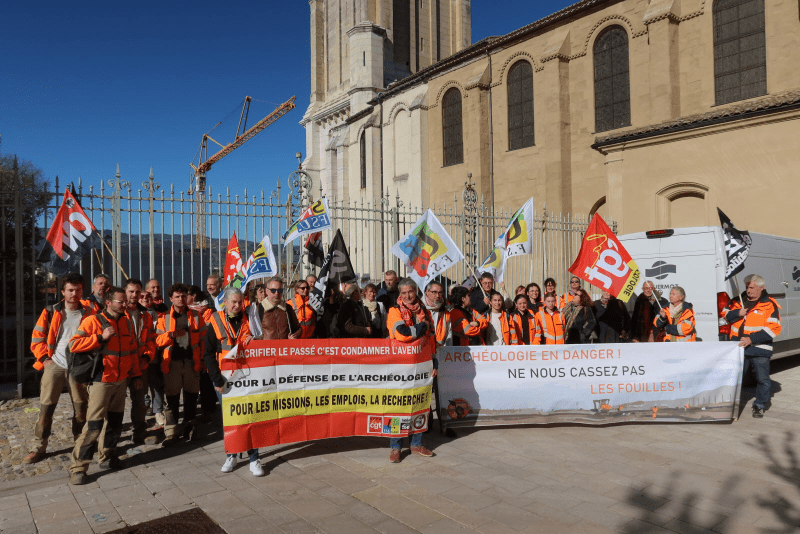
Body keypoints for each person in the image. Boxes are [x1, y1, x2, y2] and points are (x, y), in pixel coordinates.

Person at [68, 287, 143, 485]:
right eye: (121, 301)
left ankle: (107, 457)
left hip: (120, 381)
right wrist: (100, 338)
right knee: (93, 425)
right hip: (102, 380)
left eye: (125, 301)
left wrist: (135, 374)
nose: (125, 304)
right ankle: (78, 468)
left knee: (115, 423)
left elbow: (132, 350)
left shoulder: (126, 322)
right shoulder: (93, 321)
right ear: (108, 302)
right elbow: (74, 345)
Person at [24, 273, 92, 465]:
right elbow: (37, 338)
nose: (74, 293)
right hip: (55, 364)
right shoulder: (51, 311)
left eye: (78, 290)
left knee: (81, 409)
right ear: (63, 292)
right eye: (70, 290)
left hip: (78, 367)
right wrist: (45, 359)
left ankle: (80, 444)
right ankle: (38, 446)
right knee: (46, 408)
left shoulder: (89, 313)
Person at [203, 288, 262, 474]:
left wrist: (255, 340)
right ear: (226, 303)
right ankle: (232, 455)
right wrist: (216, 380)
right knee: (229, 419)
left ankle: (254, 458)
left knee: (250, 417)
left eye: (240, 302)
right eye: (234, 302)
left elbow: (261, 345)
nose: (237, 306)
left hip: (246, 376)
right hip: (224, 378)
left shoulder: (250, 319)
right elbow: (208, 354)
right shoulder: (215, 320)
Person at [386, 278, 435, 462]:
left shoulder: (425, 311)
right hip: (400, 365)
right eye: (404, 293)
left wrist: (434, 363)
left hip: (422, 365)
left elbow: (431, 339)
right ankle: (396, 447)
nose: (407, 296)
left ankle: (416, 444)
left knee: (420, 405)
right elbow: (402, 334)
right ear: (400, 294)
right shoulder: (394, 311)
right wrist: (422, 327)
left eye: (411, 292)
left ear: (416, 292)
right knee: (399, 406)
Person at [723, 274, 782, 418]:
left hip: (759, 349)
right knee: (735, 379)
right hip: (737, 348)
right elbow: (724, 315)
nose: (748, 290)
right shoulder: (737, 301)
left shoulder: (769, 304)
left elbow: (773, 328)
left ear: (762, 288)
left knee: (762, 379)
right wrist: (737, 313)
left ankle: (759, 405)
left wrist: (751, 339)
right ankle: (730, 405)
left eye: (752, 287)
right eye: (747, 287)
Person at [156, 283, 207, 446]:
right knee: (172, 399)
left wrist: (203, 360)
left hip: (192, 362)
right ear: (171, 299)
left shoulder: (196, 316)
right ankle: (171, 432)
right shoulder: (164, 318)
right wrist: (170, 335)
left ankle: (189, 427)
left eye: (183, 296)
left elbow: (203, 339)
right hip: (172, 363)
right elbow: (157, 341)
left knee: (191, 396)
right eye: (177, 296)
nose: (180, 299)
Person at [123, 279, 157, 444]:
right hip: (120, 365)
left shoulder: (145, 314)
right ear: (125, 292)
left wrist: (147, 356)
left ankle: (139, 431)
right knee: (115, 403)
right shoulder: (118, 312)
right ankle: (111, 437)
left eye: (137, 292)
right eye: (131, 291)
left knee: (139, 400)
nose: (134, 295)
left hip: (139, 364)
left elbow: (151, 338)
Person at [187, 285, 217, 425]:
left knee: (205, 385)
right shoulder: (186, 313)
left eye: (185, 295)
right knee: (192, 387)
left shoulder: (208, 311)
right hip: (191, 354)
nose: (182, 298)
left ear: (192, 296)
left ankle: (207, 412)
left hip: (204, 352)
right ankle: (192, 416)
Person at [423, 281, 451, 347]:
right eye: (434, 292)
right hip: (423, 349)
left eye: (440, 292)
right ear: (427, 292)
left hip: (441, 350)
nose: (437, 296)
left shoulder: (445, 311)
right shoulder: (419, 308)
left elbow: (449, 333)